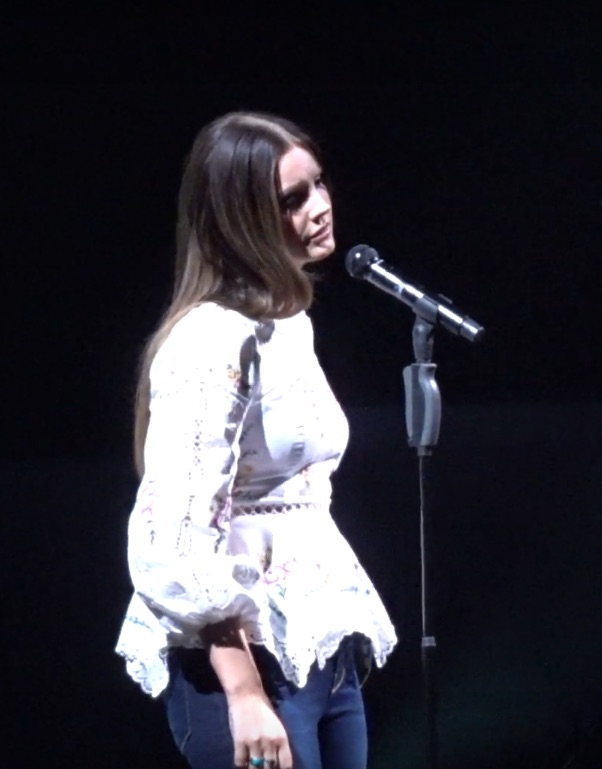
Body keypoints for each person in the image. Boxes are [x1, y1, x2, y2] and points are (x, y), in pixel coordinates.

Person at [115, 111, 398, 769]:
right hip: (244, 666)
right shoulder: (211, 340)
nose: (320, 207)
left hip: (316, 646)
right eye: (293, 199)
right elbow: (174, 535)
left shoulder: (286, 322)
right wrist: (243, 692)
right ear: (242, 221)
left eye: (318, 184)